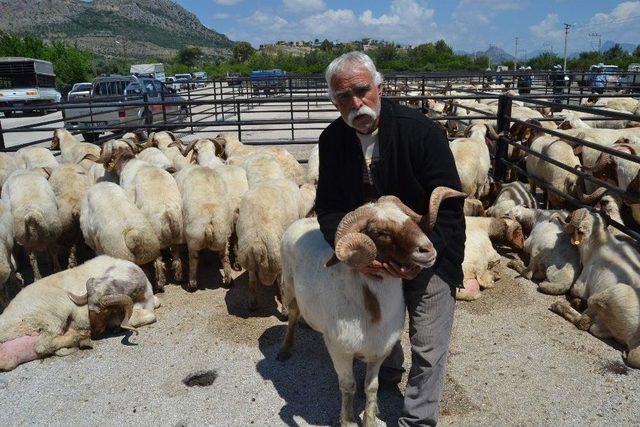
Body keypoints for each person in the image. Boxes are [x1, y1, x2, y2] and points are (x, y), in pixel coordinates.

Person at [316, 51, 466, 426]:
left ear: (379, 87)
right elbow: (330, 208)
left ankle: (417, 420)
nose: (355, 103)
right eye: (342, 97)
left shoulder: (421, 132)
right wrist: (355, 253)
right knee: (379, 320)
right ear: (334, 101)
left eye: (362, 90)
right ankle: (387, 372)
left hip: (426, 249)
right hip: (372, 255)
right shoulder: (332, 141)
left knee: (428, 343)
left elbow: (448, 206)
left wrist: (429, 261)